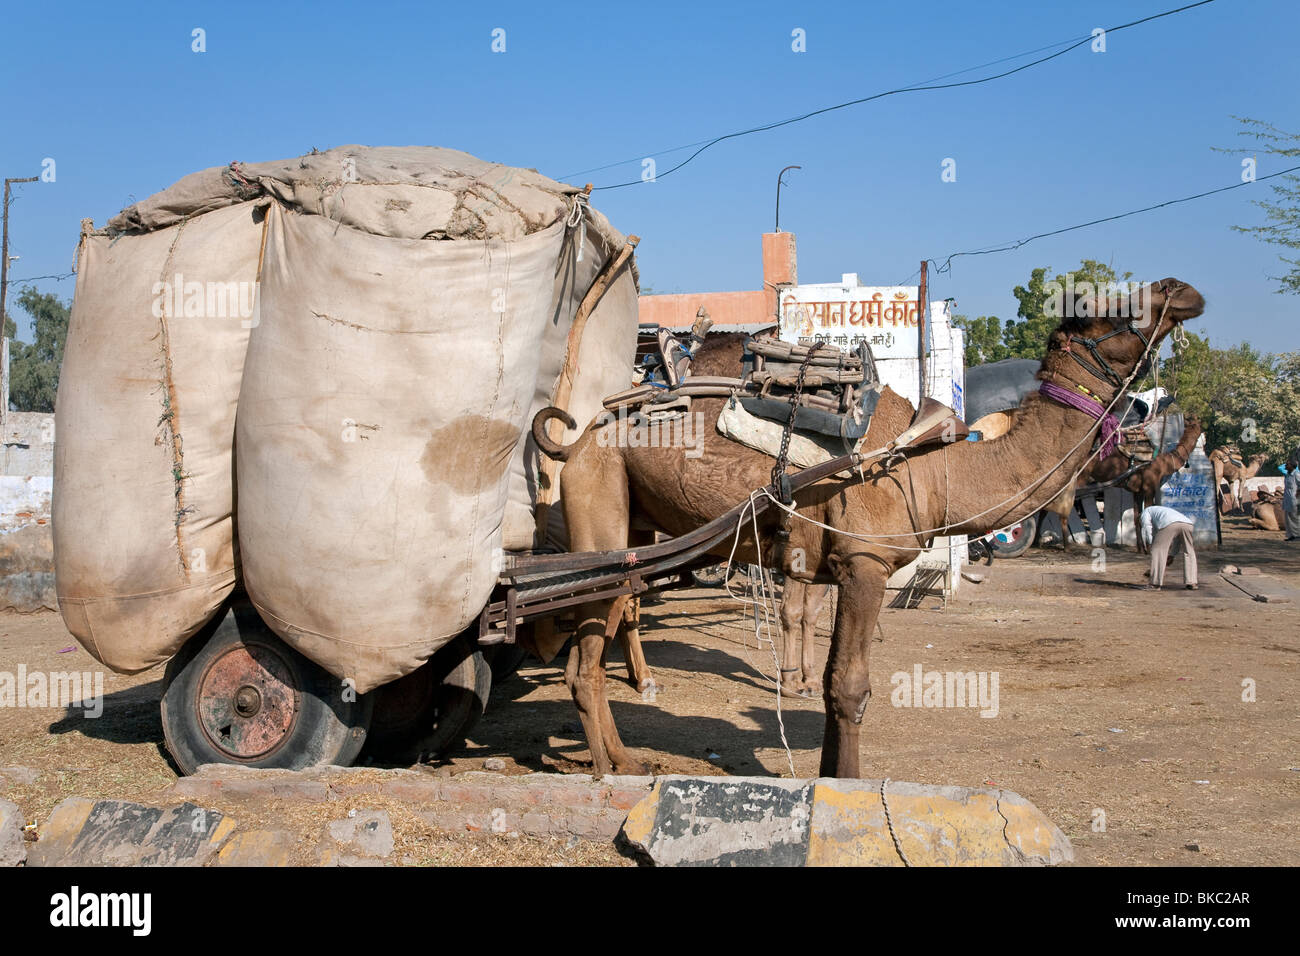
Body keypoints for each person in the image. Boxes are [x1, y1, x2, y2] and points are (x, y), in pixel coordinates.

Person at [1139, 503, 1198, 590]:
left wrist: (1150, 543)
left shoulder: (1145, 512)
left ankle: (1155, 584)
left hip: (1169, 523)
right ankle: (1192, 582)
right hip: (1188, 524)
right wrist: (1172, 555)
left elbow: (1146, 526)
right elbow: (1177, 540)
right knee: (1189, 551)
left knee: (1157, 550)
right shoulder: (1162, 511)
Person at [1284, 458, 1300, 541]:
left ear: (1292, 466)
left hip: (1295, 500)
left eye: (1287, 464)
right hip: (1287, 500)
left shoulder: (1296, 474)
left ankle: (1297, 536)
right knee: (1288, 518)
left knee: (1295, 518)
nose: (1285, 466)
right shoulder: (1287, 475)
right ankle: (1291, 535)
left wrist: (1297, 493)